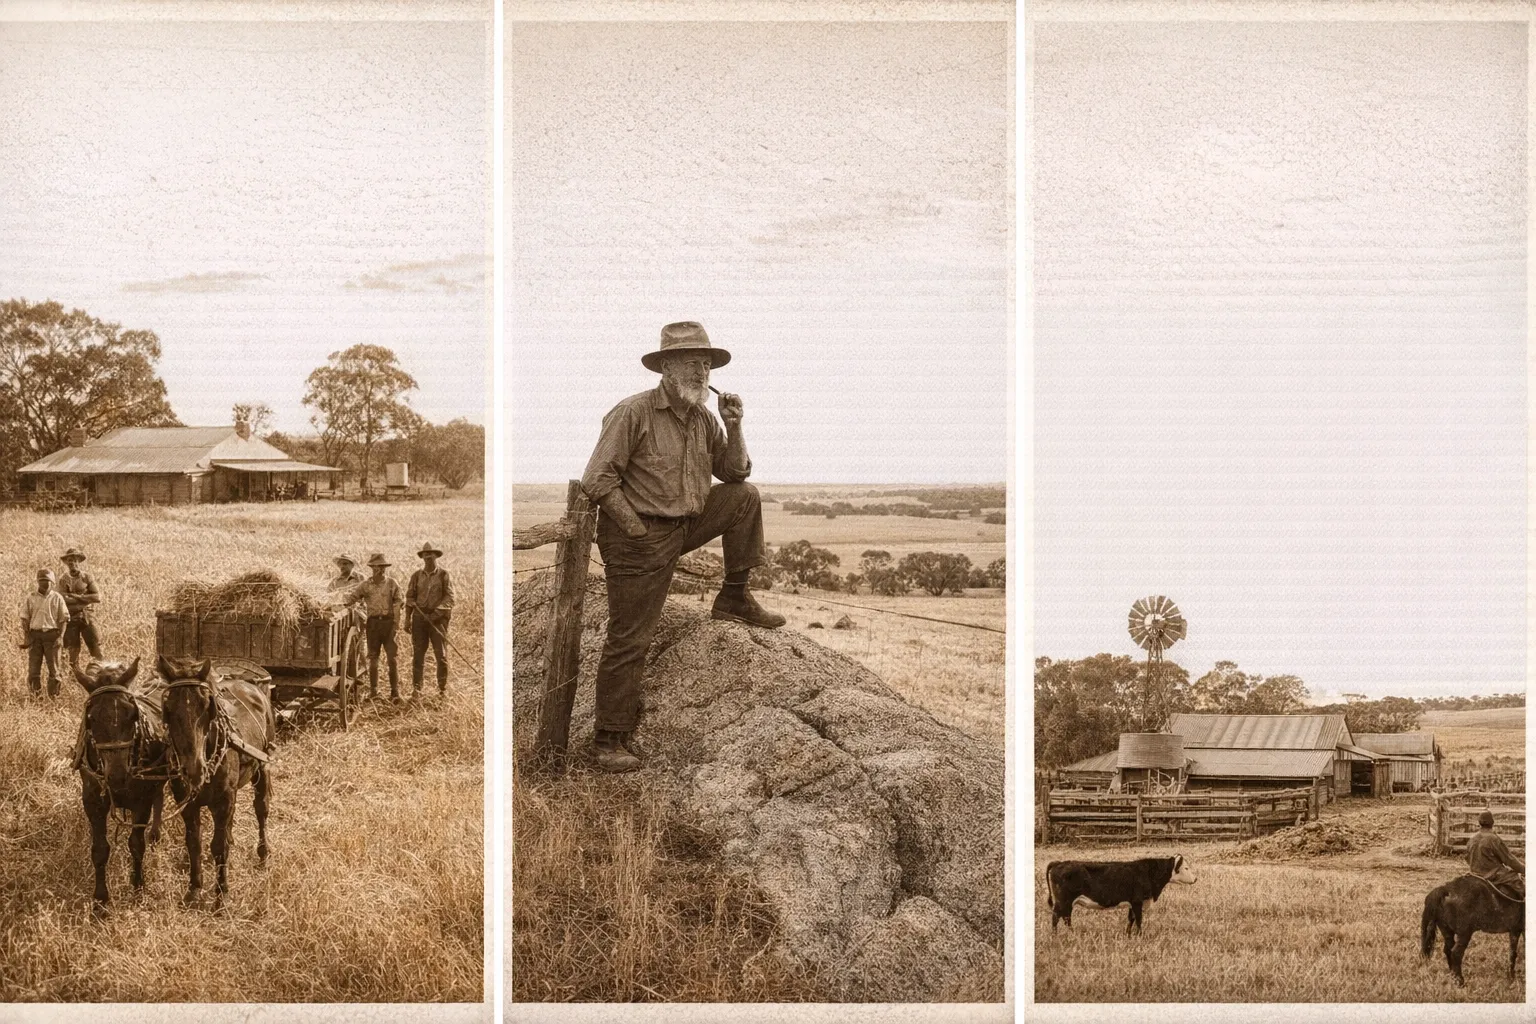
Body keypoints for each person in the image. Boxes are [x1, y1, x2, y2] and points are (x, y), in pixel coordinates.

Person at [579, 321, 784, 773]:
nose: (702, 370)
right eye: (693, 361)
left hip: (682, 526)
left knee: (744, 498)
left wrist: (735, 426)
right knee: (631, 637)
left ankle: (733, 596)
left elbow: (735, 474)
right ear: (667, 366)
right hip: (636, 537)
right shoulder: (633, 412)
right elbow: (597, 479)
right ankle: (608, 740)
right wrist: (634, 529)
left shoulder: (705, 418)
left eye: (707, 363)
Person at [349, 554, 403, 702]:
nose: (380, 570)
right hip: (373, 624)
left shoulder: (392, 584)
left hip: (388, 624)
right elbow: (352, 597)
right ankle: (374, 692)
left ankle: (395, 692)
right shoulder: (365, 585)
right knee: (373, 658)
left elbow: (399, 601)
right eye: (376, 567)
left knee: (392, 659)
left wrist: (396, 623)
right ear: (372, 568)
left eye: (382, 567)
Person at [406, 543, 455, 698]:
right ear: (422, 557)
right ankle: (417, 690)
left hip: (438, 620)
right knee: (418, 655)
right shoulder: (416, 576)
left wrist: (435, 614)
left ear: (436, 556)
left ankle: (442, 690)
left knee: (441, 655)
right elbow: (409, 597)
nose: (428, 557)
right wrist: (407, 619)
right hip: (419, 619)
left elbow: (450, 598)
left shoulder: (443, 575)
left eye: (431, 554)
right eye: (425, 555)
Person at [19, 569, 70, 698]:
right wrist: (27, 637)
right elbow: (25, 618)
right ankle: (35, 697)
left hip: (52, 636)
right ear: (38, 581)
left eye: (48, 581)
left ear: (52, 582)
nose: (45, 584)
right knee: (33, 670)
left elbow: (64, 619)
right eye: (42, 581)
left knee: (54, 670)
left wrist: (60, 637)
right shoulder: (31, 597)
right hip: (35, 636)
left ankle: (54, 698)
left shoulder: (57, 598)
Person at [1466, 809, 1525, 900]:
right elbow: (1509, 860)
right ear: (1492, 823)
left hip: (1475, 874)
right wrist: (1524, 869)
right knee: (1517, 881)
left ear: (1479, 823)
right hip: (1492, 875)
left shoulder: (1472, 839)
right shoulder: (1494, 839)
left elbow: (1467, 858)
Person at [57, 547, 102, 665]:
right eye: (70, 560)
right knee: (72, 650)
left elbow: (97, 597)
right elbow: (62, 599)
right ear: (66, 562)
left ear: (79, 562)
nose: (73, 563)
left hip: (87, 616)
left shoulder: (87, 577)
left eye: (75, 560)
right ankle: (73, 678)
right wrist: (86, 598)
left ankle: (103, 676)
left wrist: (76, 597)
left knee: (96, 647)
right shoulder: (63, 579)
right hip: (71, 617)